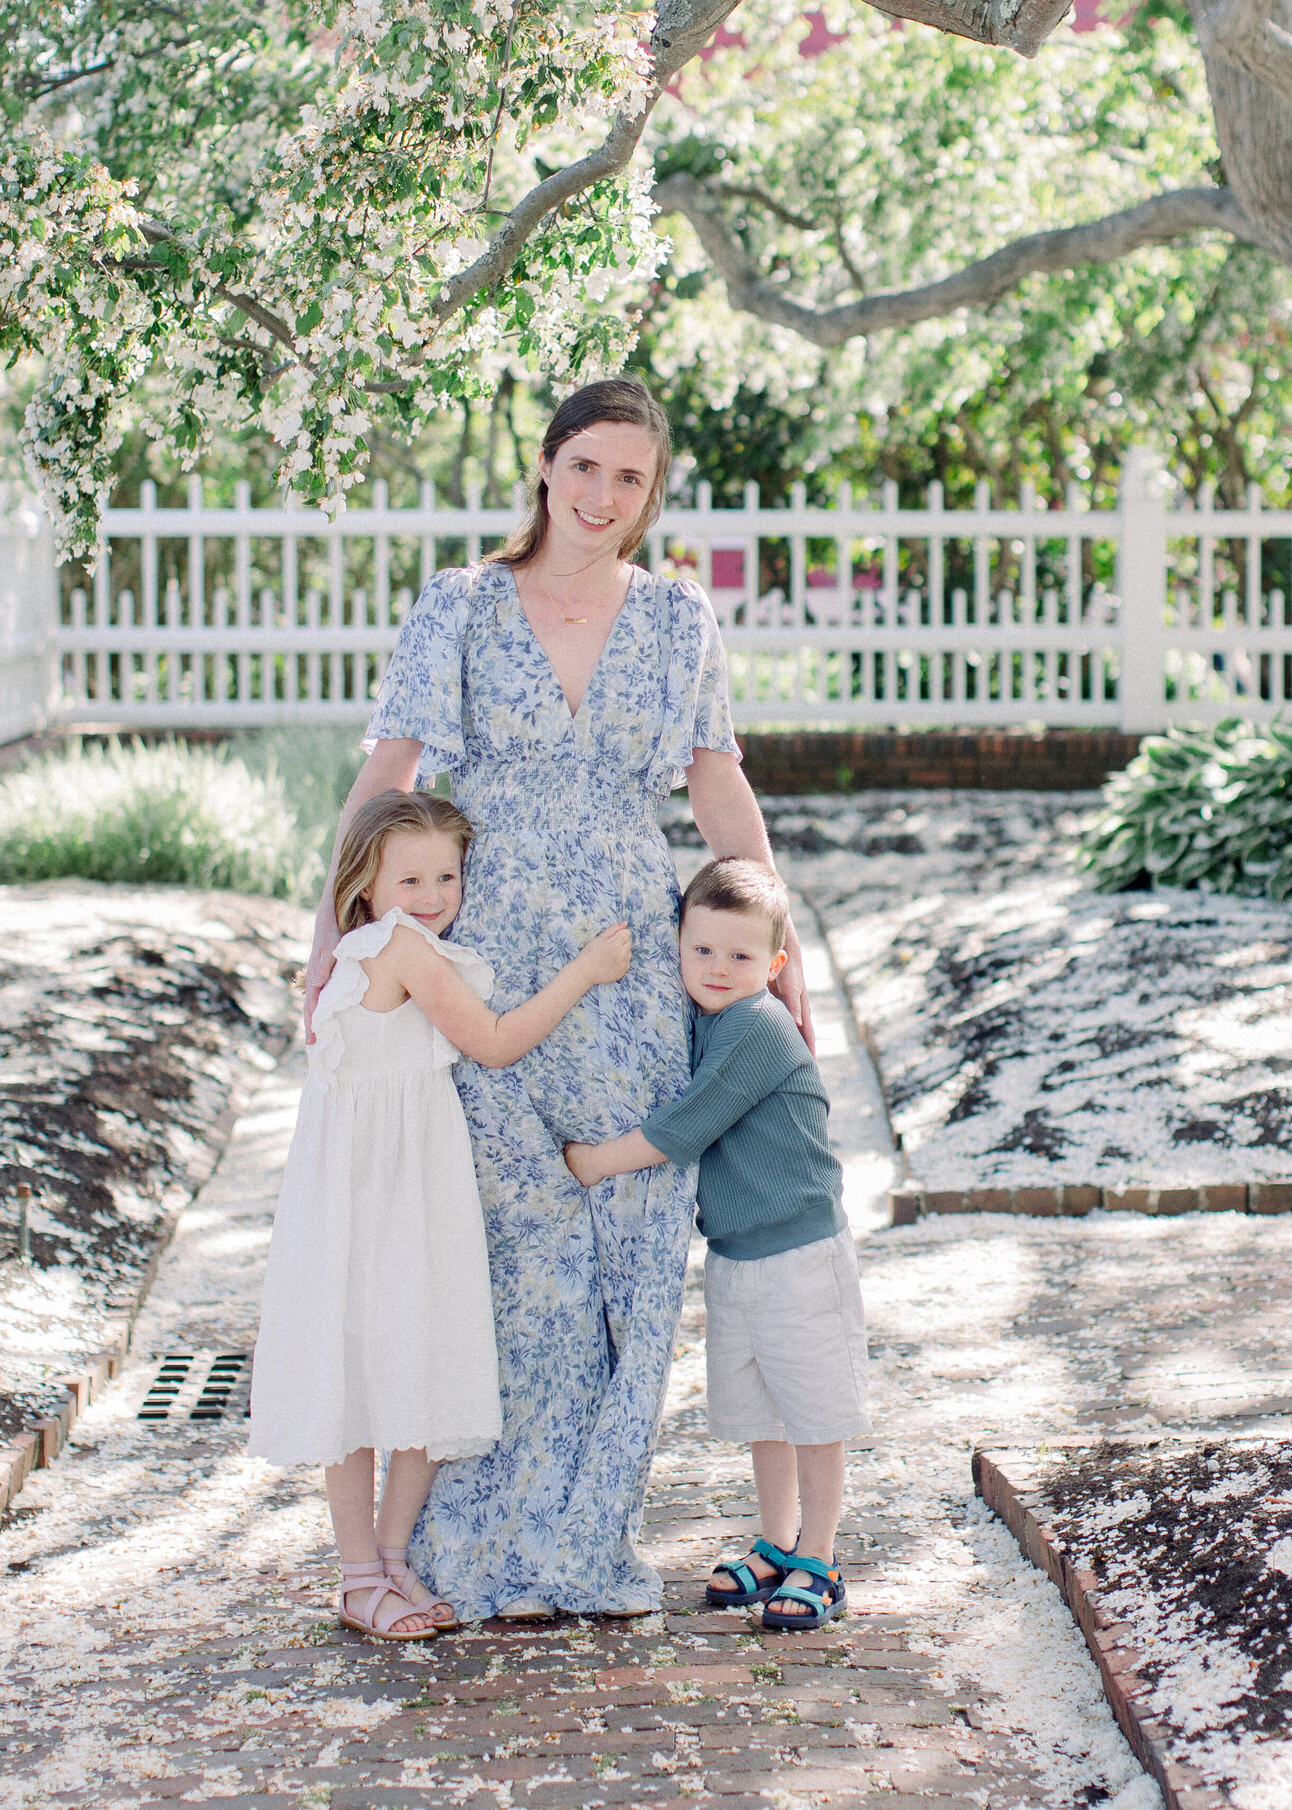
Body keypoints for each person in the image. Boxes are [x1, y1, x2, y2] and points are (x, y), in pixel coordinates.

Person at [300, 377, 812, 1620]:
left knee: (631, 1245)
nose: (602, 496)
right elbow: (387, 777)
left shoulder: (680, 620)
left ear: (649, 492)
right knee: (496, 1249)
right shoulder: (460, 607)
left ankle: (583, 1538)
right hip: (475, 960)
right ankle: (465, 1547)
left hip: (632, 963)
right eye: (585, 466)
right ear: (545, 466)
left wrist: (783, 963)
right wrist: (331, 945)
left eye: (629, 477)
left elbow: (719, 791)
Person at [249, 790, 631, 1639]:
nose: (431, 893)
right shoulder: (401, 946)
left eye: (447, 875)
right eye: (410, 876)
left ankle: (390, 1560)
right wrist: (587, 970)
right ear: (364, 883)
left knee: (409, 1356)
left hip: (393, 1175)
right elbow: (493, 1039)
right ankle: (359, 1573)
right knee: (367, 1365)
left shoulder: (374, 945)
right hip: (375, 1186)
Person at [563, 858, 868, 1633]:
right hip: (734, 1251)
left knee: (812, 1408)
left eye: (740, 957)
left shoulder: (759, 1027)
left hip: (798, 1249)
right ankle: (775, 1540)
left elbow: (689, 1124)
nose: (718, 969)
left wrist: (596, 1159)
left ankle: (821, 1560)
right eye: (702, 951)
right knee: (761, 1407)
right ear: (679, 947)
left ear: (774, 965)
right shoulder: (701, 1017)